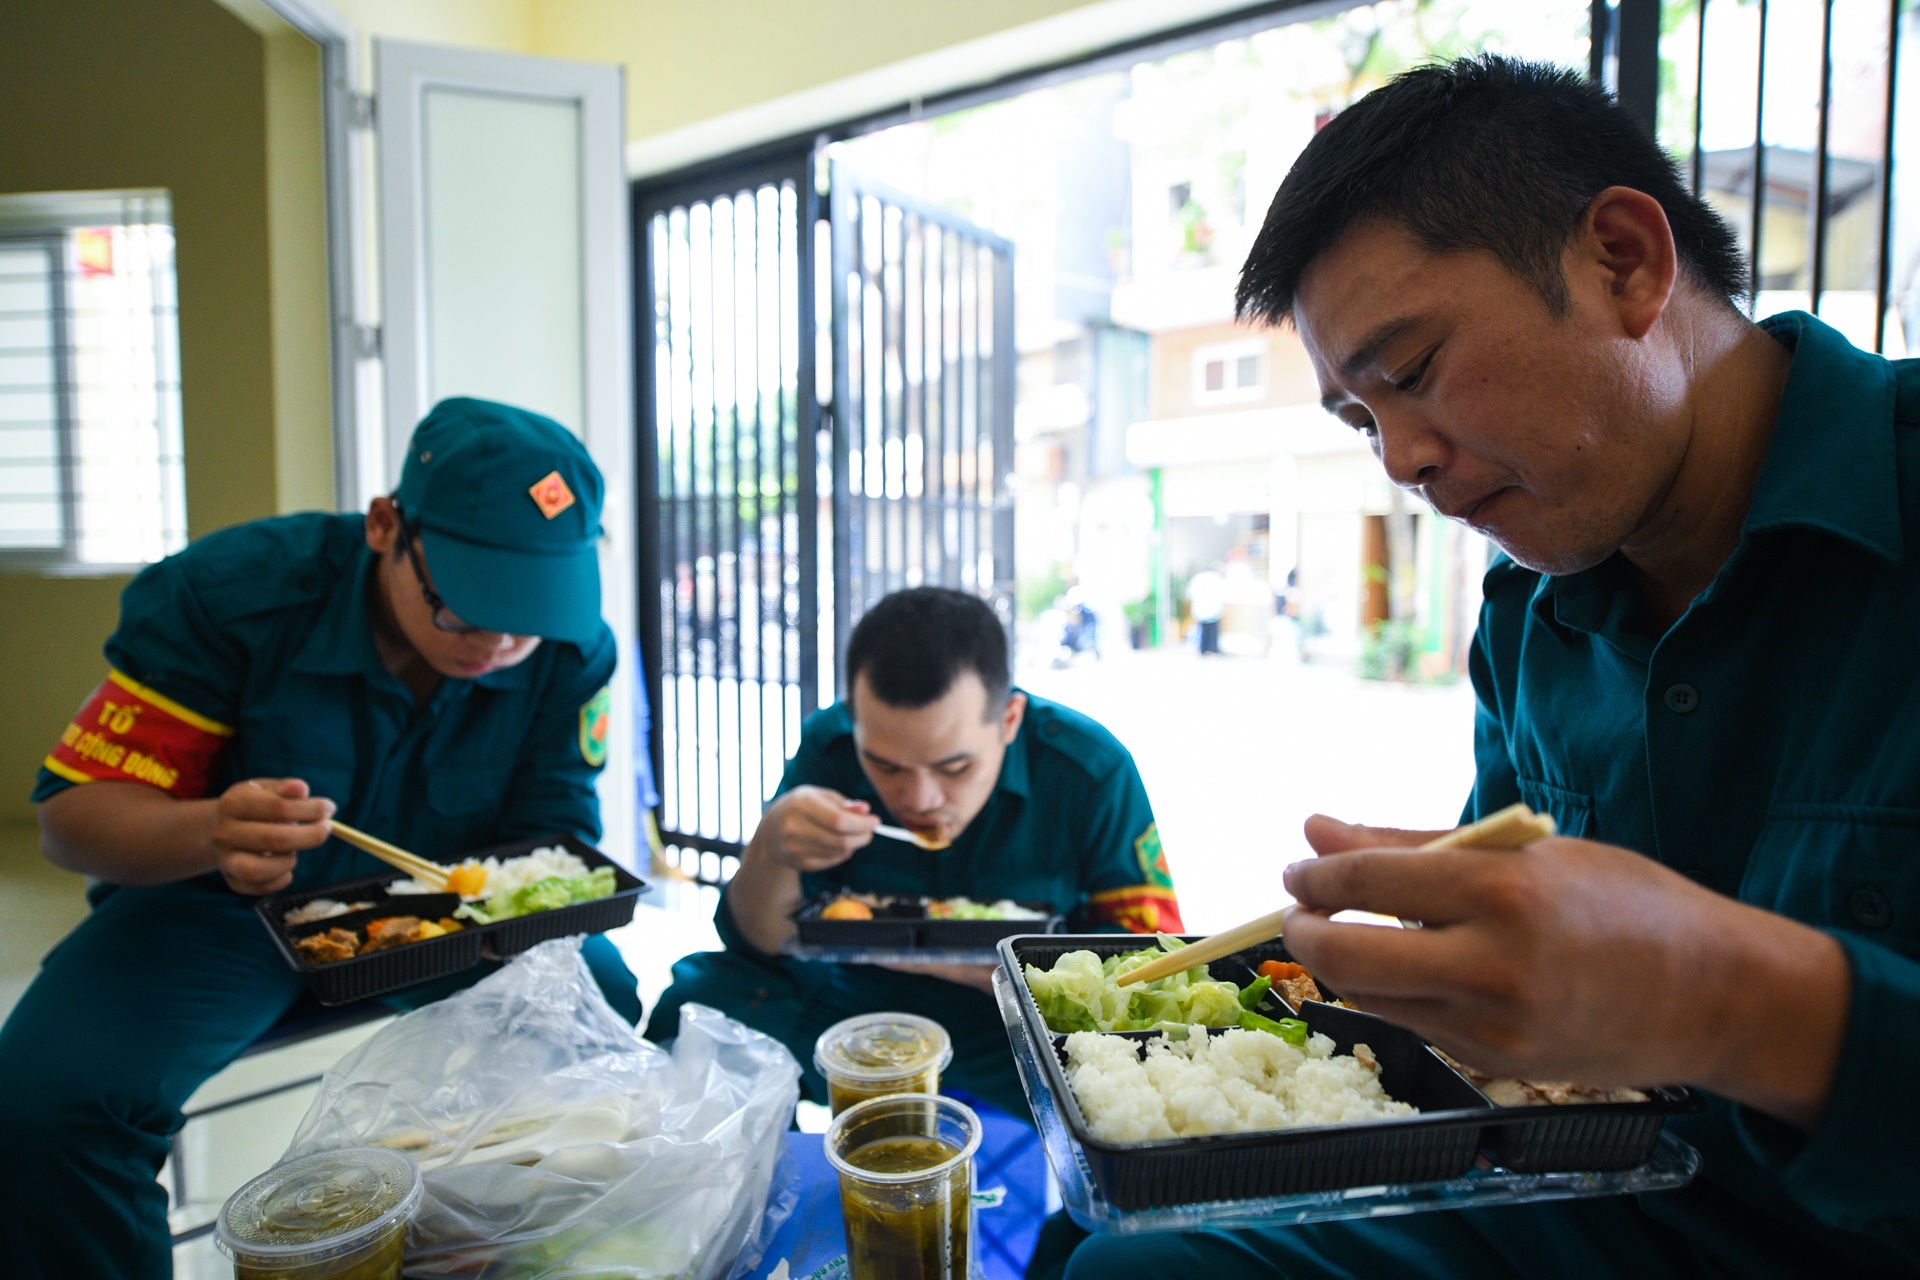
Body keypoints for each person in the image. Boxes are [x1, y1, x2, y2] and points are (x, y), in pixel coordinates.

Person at [1056, 56, 1920, 1278]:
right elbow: (1509, 1063)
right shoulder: (1528, 619)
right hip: (1583, 1205)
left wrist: (1729, 996)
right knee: (1121, 1259)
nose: (1401, 460)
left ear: (1625, 259)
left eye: (1410, 372)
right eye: (1360, 421)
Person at [0, 398, 642, 1279]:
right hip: (219, 912)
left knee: (599, 1005)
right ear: (387, 527)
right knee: (44, 1105)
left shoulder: (571, 649)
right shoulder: (233, 598)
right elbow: (70, 821)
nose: (495, 642)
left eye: (524, 619)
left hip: (446, 914)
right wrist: (209, 830)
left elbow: (554, 833)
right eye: (462, 607)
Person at [645, 586, 1184, 1118]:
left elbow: (1150, 968)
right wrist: (772, 849)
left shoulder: (1089, 769)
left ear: (1009, 721)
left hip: (1017, 1024)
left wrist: (989, 969)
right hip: (852, 1001)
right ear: (856, 719)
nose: (920, 800)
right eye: (886, 766)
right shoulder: (829, 745)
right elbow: (758, 943)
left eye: (955, 769)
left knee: (1147, 1094)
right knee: (697, 1015)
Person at [1187, 564, 1226, 655]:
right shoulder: (1216, 578)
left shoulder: (1197, 578)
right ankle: (1212, 648)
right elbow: (1223, 594)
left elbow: (1190, 594)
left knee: (1203, 629)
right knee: (1213, 630)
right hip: (1213, 609)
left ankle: (1203, 649)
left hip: (1201, 609)